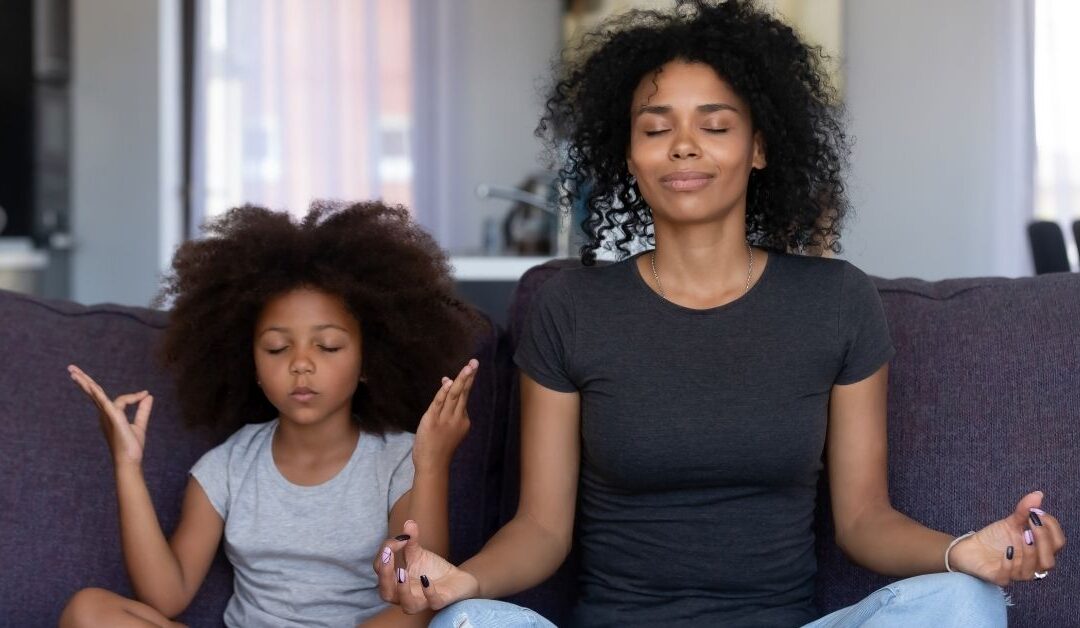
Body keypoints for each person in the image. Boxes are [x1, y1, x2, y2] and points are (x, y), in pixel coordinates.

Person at [372, 2, 1067, 626]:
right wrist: (466, 584)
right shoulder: (571, 307)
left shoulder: (835, 302)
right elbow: (542, 530)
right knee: (476, 626)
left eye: (715, 125)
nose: (683, 145)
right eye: (655, 127)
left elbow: (863, 520)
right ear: (630, 155)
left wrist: (962, 554)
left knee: (964, 603)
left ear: (759, 147)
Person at [58, 201, 483, 627]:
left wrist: (431, 465)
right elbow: (166, 596)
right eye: (278, 348)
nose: (301, 363)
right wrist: (126, 465)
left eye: (328, 346)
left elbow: (418, 597)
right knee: (89, 610)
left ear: (369, 362)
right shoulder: (227, 466)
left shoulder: (400, 459)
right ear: (253, 367)